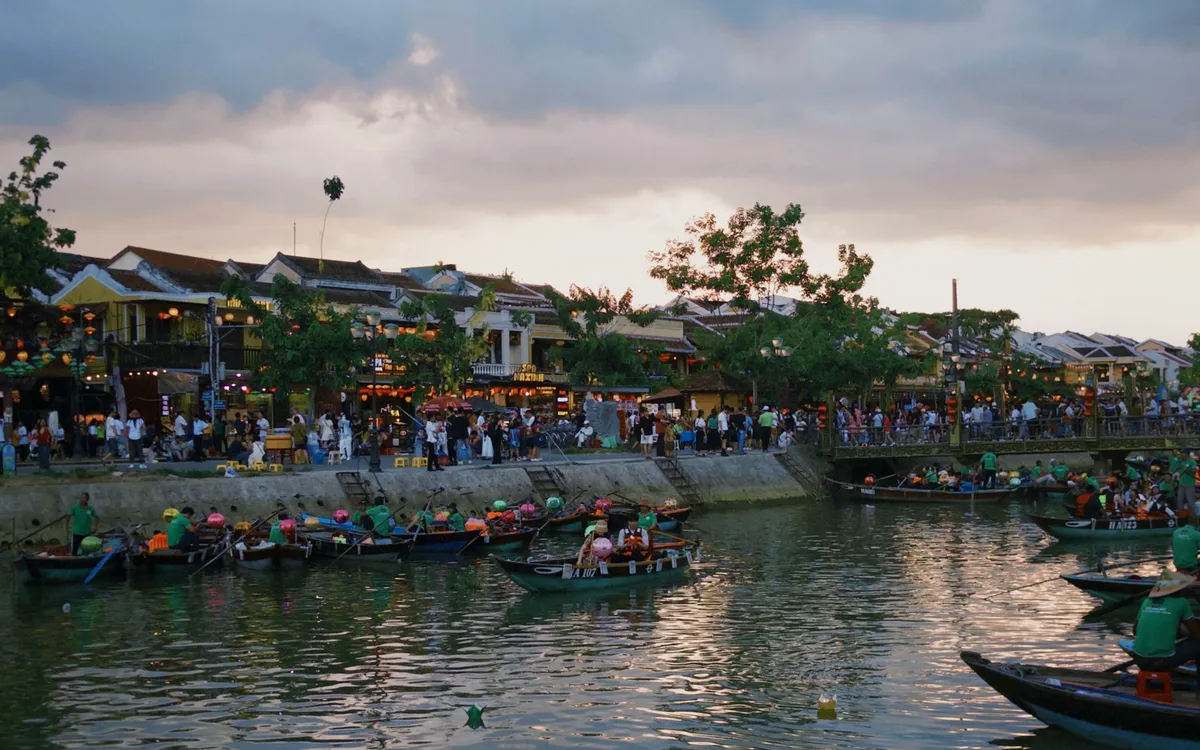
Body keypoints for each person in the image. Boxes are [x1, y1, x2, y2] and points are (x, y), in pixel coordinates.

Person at [1131, 571, 1200, 671]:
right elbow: (1196, 634)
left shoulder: (1147, 601)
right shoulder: (1182, 602)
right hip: (1161, 662)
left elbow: (1135, 631)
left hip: (1138, 658)